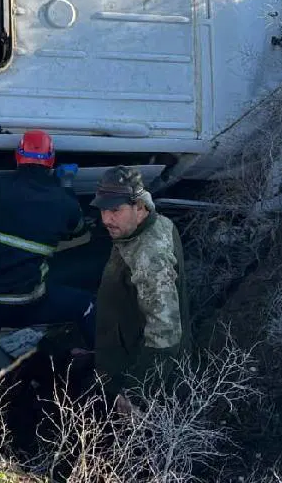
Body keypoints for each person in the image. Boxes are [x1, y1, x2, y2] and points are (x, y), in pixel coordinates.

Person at [0, 112, 96, 391]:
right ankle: (107, 372)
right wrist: (67, 186)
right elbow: (77, 229)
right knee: (86, 304)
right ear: (51, 161)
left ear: (18, 157)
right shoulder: (63, 202)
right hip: (27, 305)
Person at [89, 165, 191, 412]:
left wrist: (135, 393)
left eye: (115, 210)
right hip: (123, 349)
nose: (106, 219)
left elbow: (165, 333)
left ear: (139, 207)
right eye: (103, 209)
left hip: (136, 375)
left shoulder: (149, 258)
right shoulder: (154, 224)